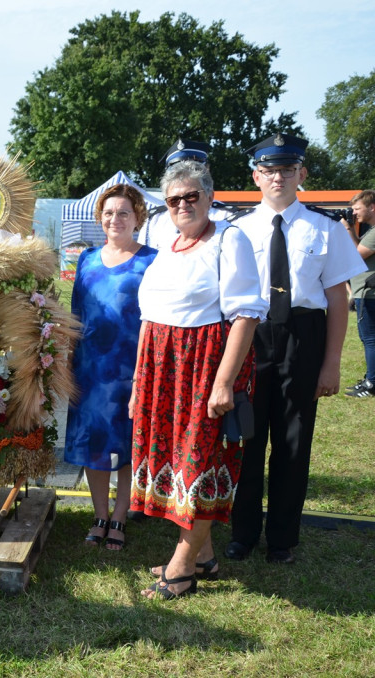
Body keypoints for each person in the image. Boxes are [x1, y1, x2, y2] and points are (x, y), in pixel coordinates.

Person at [226, 134, 367, 564]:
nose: (279, 178)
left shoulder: (325, 228)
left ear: (302, 174)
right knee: (246, 438)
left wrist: (331, 366)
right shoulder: (237, 229)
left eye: (288, 170)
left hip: (303, 337)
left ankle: (282, 538)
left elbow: (339, 299)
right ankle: (242, 532)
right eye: (269, 170)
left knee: (293, 441)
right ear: (256, 176)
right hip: (251, 336)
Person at [130, 160, 267, 598]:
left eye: (192, 196)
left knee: (201, 461)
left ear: (210, 197)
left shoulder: (230, 238)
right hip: (162, 366)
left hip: (206, 366)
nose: (183, 205)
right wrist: (138, 383)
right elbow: (148, 319)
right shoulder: (167, 245)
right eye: (174, 200)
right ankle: (204, 556)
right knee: (177, 459)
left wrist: (224, 382)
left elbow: (246, 314)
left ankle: (183, 567)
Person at [65, 184, 157, 551]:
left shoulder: (152, 259)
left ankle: (121, 515)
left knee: (128, 443)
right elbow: (75, 313)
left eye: (123, 213)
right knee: (93, 441)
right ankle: (99, 514)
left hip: (131, 368)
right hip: (89, 367)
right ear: (99, 217)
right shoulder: (86, 258)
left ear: (138, 218)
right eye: (108, 212)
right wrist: (67, 360)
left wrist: (146, 369)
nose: (114, 219)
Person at [138, 138, 241, 250]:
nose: (185, 174)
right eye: (177, 171)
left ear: (207, 170)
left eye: (194, 169)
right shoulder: (154, 220)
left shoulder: (228, 217)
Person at [346, 222, 375, 398]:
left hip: (368, 293)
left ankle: (371, 383)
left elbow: (357, 255)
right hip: (364, 292)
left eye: (357, 208)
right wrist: (350, 229)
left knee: (369, 339)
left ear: (371, 207)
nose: (354, 213)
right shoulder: (370, 231)